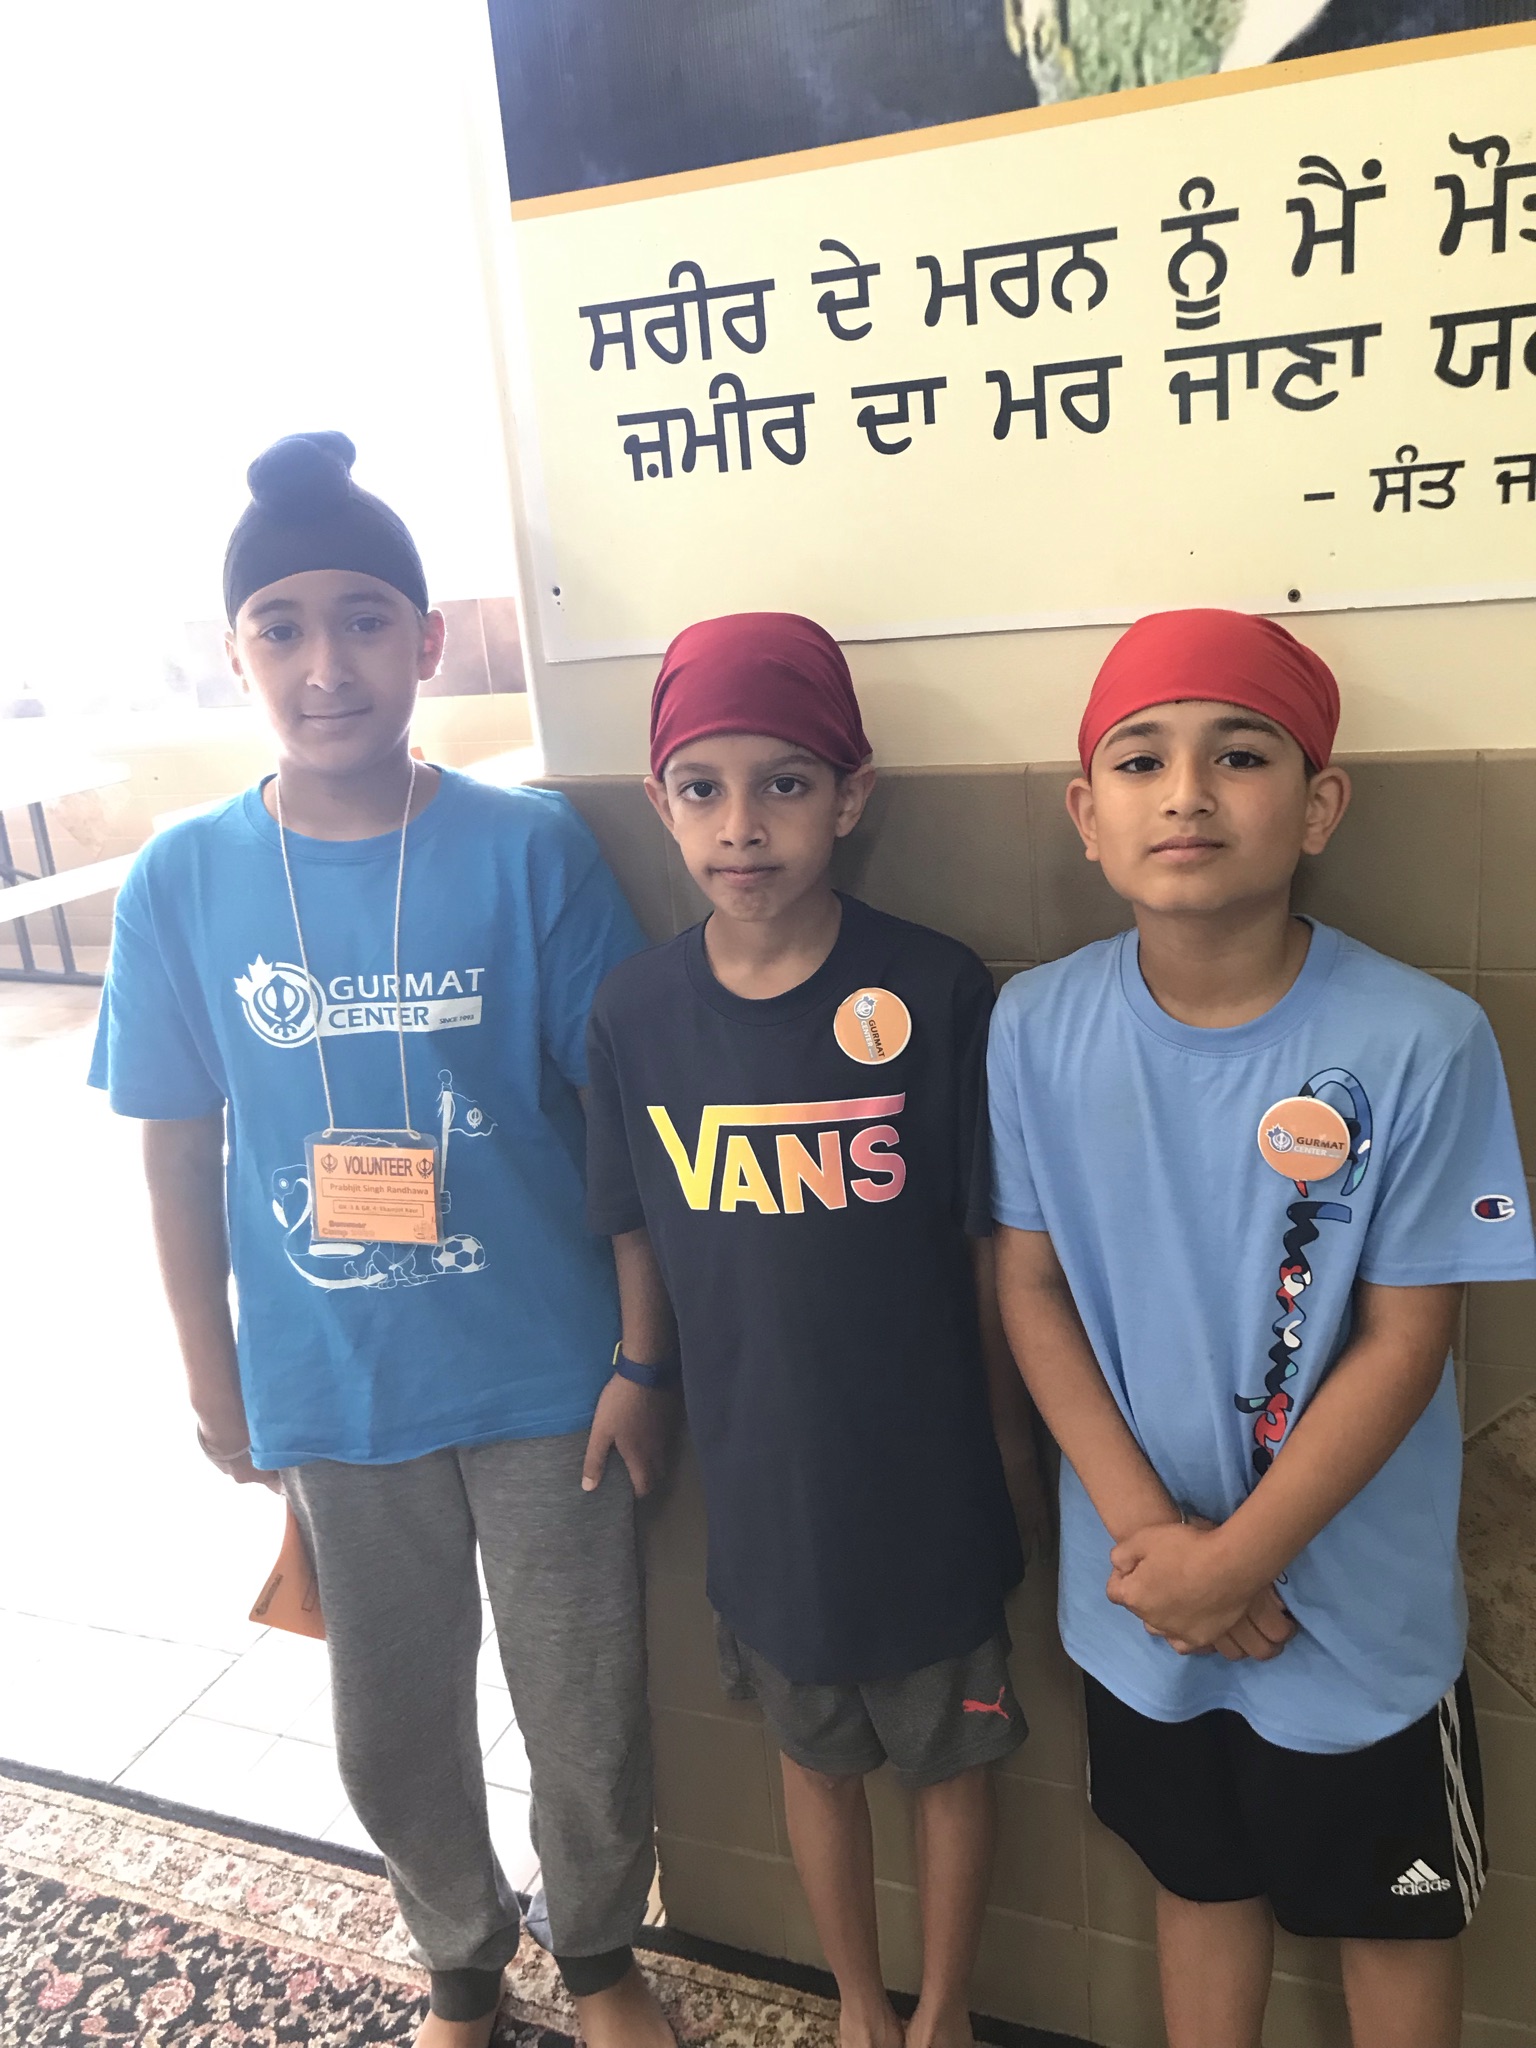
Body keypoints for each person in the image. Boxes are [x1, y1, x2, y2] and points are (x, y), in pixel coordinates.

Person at [90, 432, 676, 2048]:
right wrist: (212, 1377)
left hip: (547, 1370)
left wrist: (643, 1354)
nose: (325, 664)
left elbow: (619, 1124)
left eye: (362, 619)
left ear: (425, 640)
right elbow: (175, 1149)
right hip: (333, 1375)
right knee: (391, 1716)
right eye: (279, 626)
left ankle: (602, 1954)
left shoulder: (526, 849)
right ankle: (459, 1958)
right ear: (235, 654)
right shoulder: (182, 880)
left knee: (584, 1700)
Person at [987, 608, 1536, 2048]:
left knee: (1393, 1922)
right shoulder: (1033, 1028)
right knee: (1199, 1880)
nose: (1186, 793)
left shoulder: (1420, 1041)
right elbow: (1031, 1289)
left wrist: (1237, 1559)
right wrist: (1163, 1552)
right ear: (1086, 816)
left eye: (1239, 755)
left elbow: (1409, 1341)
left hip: (1351, 1609)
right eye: (1140, 760)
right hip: (1141, 1598)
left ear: (1320, 805)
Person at [583, 612, 1047, 2048]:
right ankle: (856, 2002)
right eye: (703, 788)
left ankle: (944, 2009)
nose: (742, 825)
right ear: (660, 802)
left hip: (930, 1481)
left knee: (951, 1764)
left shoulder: (936, 986)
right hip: (766, 1485)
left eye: (784, 783)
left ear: (851, 796)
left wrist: (1013, 1448)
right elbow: (633, 1217)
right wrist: (639, 1368)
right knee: (815, 1759)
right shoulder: (636, 1011)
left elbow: (991, 1245)